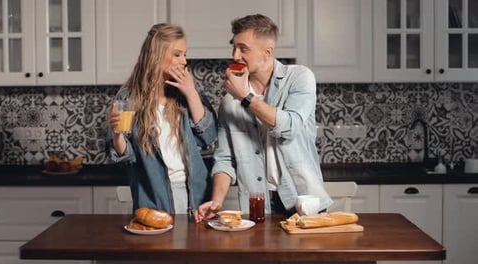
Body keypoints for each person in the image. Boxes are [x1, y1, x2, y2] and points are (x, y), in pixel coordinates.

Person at [195, 14, 332, 222]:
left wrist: (246, 97)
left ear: (267, 52)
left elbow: (289, 127)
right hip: (258, 204)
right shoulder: (229, 102)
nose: (235, 55)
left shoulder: (299, 78)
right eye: (234, 46)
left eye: (243, 48)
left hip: (304, 201)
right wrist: (217, 200)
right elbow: (224, 159)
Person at [107, 23, 217, 218]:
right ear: (156, 55)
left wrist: (191, 92)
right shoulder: (128, 98)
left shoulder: (186, 92)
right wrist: (116, 134)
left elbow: (208, 137)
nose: (184, 61)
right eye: (177, 54)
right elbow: (125, 157)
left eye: (184, 54)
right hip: (153, 198)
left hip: (196, 196)